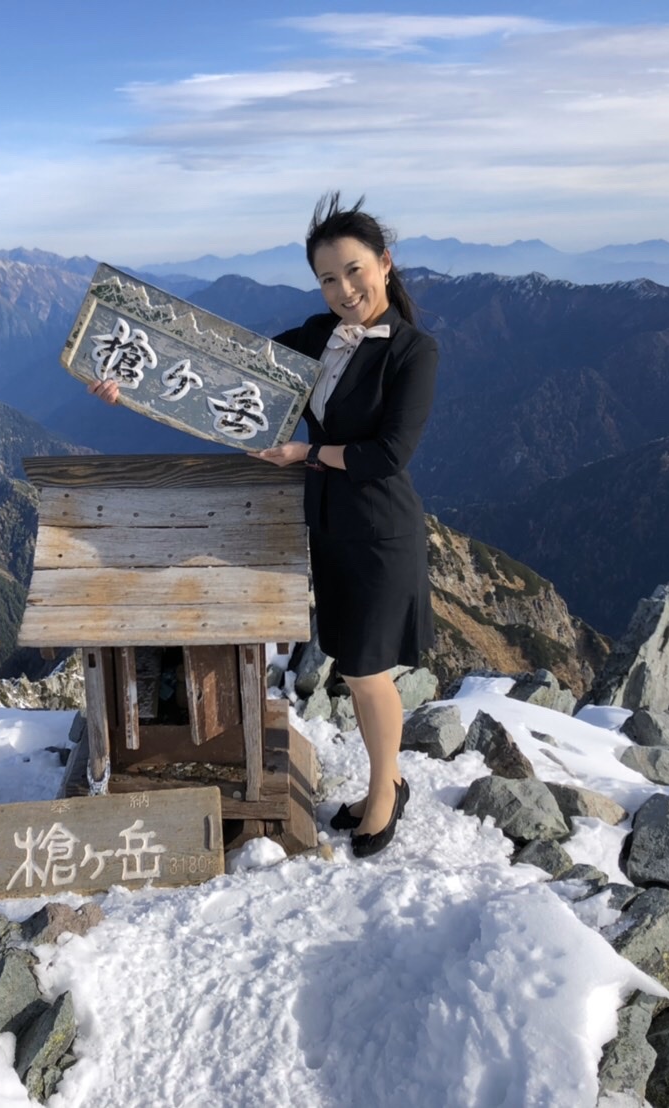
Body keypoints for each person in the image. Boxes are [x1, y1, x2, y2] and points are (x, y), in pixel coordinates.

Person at [91, 193, 438, 858]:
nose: (344, 289)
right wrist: (121, 379)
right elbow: (211, 372)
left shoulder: (415, 352)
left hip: (381, 533)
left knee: (368, 673)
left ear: (386, 265)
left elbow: (389, 454)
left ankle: (386, 797)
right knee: (352, 665)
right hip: (329, 527)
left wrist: (306, 453)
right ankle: (383, 781)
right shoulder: (316, 337)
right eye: (329, 278)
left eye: (355, 271)